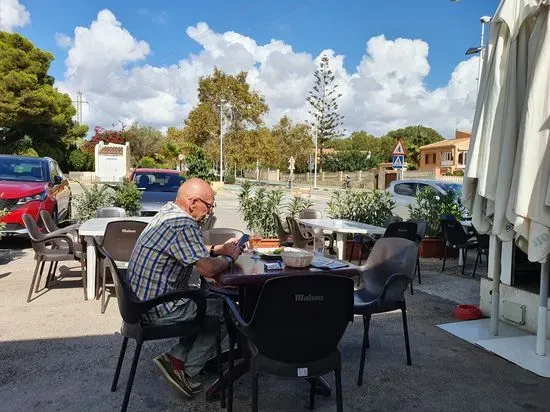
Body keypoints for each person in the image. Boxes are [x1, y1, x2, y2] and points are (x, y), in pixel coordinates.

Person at [127, 177, 242, 398]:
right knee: (227, 310)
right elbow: (207, 270)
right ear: (193, 203)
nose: (209, 212)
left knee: (210, 303)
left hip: (139, 304)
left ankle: (176, 358)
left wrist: (219, 249)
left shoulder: (168, 214)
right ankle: (187, 372)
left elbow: (188, 247)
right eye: (209, 206)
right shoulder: (183, 224)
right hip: (158, 309)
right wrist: (230, 259)